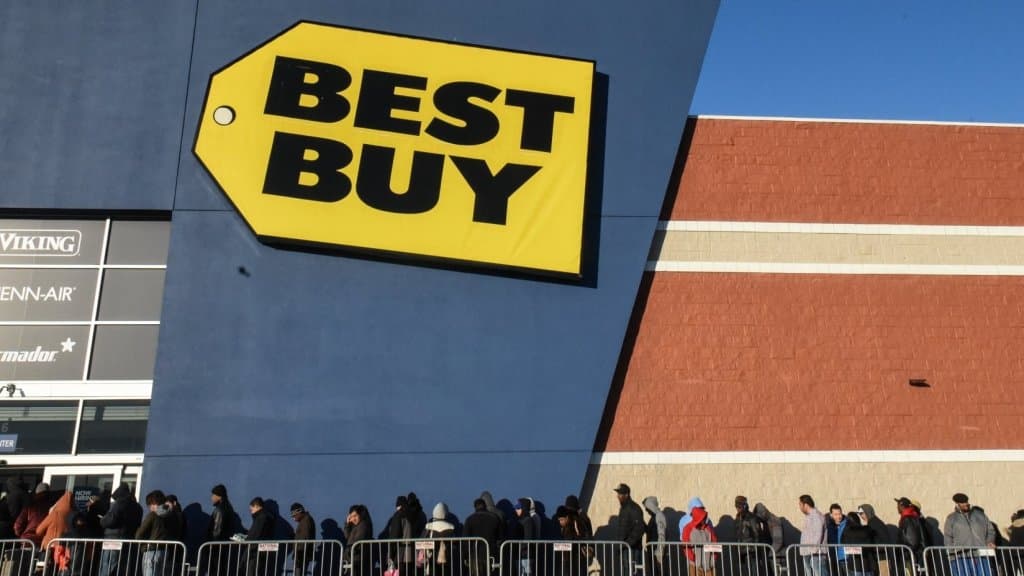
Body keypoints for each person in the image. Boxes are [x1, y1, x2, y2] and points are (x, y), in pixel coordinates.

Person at [943, 493, 995, 576]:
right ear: (957, 504)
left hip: (981, 554)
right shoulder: (951, 518)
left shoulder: (980, 515)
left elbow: (990, 530)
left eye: (966, 502)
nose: (966, 504)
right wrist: (951, 554)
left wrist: (990, 541)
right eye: (963, 503)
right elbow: (948, 537)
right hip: (960, 556)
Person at [99, 483, 142, 576]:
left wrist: (102, 520)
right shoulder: (138, 507)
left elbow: (110, 520)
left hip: (113, 540)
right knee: (123, 567)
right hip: (129, 539)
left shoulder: (119, 504)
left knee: (109, 565)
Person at [136, 490, 179, 576]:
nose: (150, 508)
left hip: (151, 550)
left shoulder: (153, 515)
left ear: (153, 503)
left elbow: (139, 534)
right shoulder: (172, 515)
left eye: (149, 505)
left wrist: (144, 545)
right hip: (165, 551)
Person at [464, 499, 503, 576]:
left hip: (475, 556)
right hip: (491, 554)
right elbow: (500, 537)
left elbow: (465, 540)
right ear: (485, 505)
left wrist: (466, 556)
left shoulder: (469, 519)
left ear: (475, 507)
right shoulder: (495, 518)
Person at [735, 496, 770, 576]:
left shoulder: (751, 517)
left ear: (744, 506)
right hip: (742, 551)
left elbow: (757, 534)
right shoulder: (738, 518)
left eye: (739, 506)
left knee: (754, 572)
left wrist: (754, 549)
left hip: (751, 552)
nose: (738, 508)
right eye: (737, 506)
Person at [613, 483, 645, 571]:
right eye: (618, 494)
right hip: (625, 548)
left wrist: (627, 543)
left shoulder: (633, 508)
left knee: (633, 572)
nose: (618, 496)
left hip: (633, 549)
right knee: (627, 571)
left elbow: (640, 528)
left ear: (626, 495)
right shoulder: (624, 508)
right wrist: (621, 545)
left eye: (620, 494)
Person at [682, 502, 718, 576]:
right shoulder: (688, 528)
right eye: (703, 518)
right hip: (695, 565)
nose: (704, 520)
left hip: (709, 564)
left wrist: (713, 558)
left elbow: (714, 541)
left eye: (705, 517)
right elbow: (685, 546)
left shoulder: (708, 528)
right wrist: (693, 559)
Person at [422, 502, 456, 576]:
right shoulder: (451, 527)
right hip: (446, 559)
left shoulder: (428, 527)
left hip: (431, 558)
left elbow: (422, 540)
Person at [13, 482, 51, 548]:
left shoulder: (31, 505)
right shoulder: (52, 506)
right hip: (43, 541)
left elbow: (17, 525)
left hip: (28, 540)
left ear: (36, 492)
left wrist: (21, 535)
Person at [799, 495, 829, 576]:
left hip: (815, 554)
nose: (800, 507)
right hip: (808, 553)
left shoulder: (816, 516)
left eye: (800, 505)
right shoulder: (809, 516)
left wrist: (813, 550)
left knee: (819, 572)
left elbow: (818, 534)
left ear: (805, 505)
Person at [245, 497, 275, 576]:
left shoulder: (261, 518)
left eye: (251, 510)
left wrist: (246, 540)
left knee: (253, 571)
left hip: (256, 551)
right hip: (261, 551)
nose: (251, 512)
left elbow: (256, 534)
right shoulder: (267, 516)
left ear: (256, 506)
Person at [386, 496, 414, 576]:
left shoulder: (398, 515)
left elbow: (394, 535)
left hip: (400, 554)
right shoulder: (411, 515)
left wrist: (390, 554)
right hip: (410, 554)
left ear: (399, 506)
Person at [895, 497, 926, 567]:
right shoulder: (911, 516)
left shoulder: (907, 519)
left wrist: (904, 551)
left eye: (898, 505)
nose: (897, 508)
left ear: (902, 506)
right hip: (912, 555)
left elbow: (913, 541)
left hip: (911, 557)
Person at [344, 504, 373, 576]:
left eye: (355, 516)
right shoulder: (355, 526)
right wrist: (347, 524)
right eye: (351, 516)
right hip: (352, 558)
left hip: (357, 558)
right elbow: (347, 537)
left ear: (361, 515)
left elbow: (358, 540)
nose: (353, 519)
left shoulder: (363, 525)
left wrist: (351, 550)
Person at [290, 503, 317, 576]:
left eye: (294, 515)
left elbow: (304, 538)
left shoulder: (306, 521)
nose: (294, 518)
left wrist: (298, 553)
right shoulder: (304, 520)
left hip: (302, 554)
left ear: (299, 512)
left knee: (299, 573)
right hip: (302, 554)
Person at [643, 496, 666, 576]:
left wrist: (660, 551)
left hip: (657, 550)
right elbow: (650, 531)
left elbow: (661, 534)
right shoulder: (653, 517)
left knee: (658, 572)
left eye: (647, 508)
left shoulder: (659, 516)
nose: (646, 510)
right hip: (652, 549)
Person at [827, 504, 849, 576]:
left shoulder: (847, 524)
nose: (838, 516)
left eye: (839, 514)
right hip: (834, 557)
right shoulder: (829, 526)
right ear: (831, 515)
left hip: (845, 558)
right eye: (835, 514)